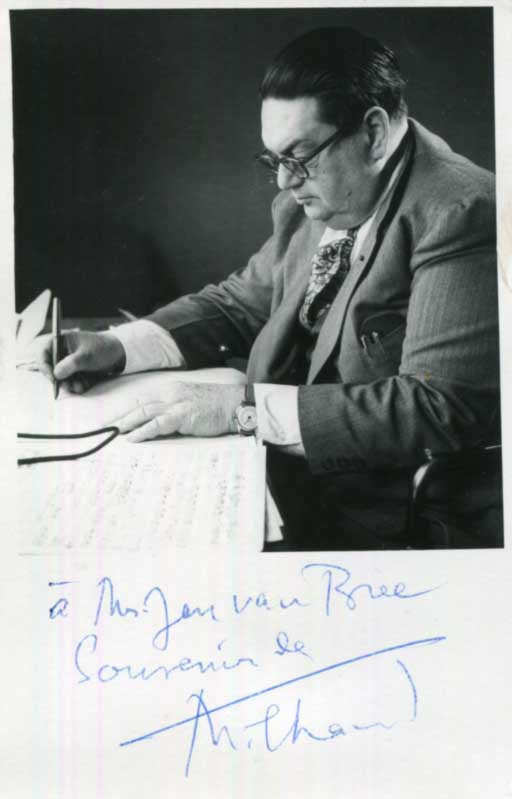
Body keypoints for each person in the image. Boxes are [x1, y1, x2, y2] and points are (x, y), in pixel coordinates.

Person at [32, 27, 500, 549]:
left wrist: (241, 409)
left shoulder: (463, 212)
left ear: (372, 133)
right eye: (274, 160)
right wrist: (118, 347)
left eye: (299, 157)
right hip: (274, 476)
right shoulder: (324, 195)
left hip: (379, 520)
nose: (283, 182)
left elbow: (439, 406)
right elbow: (241, 303)